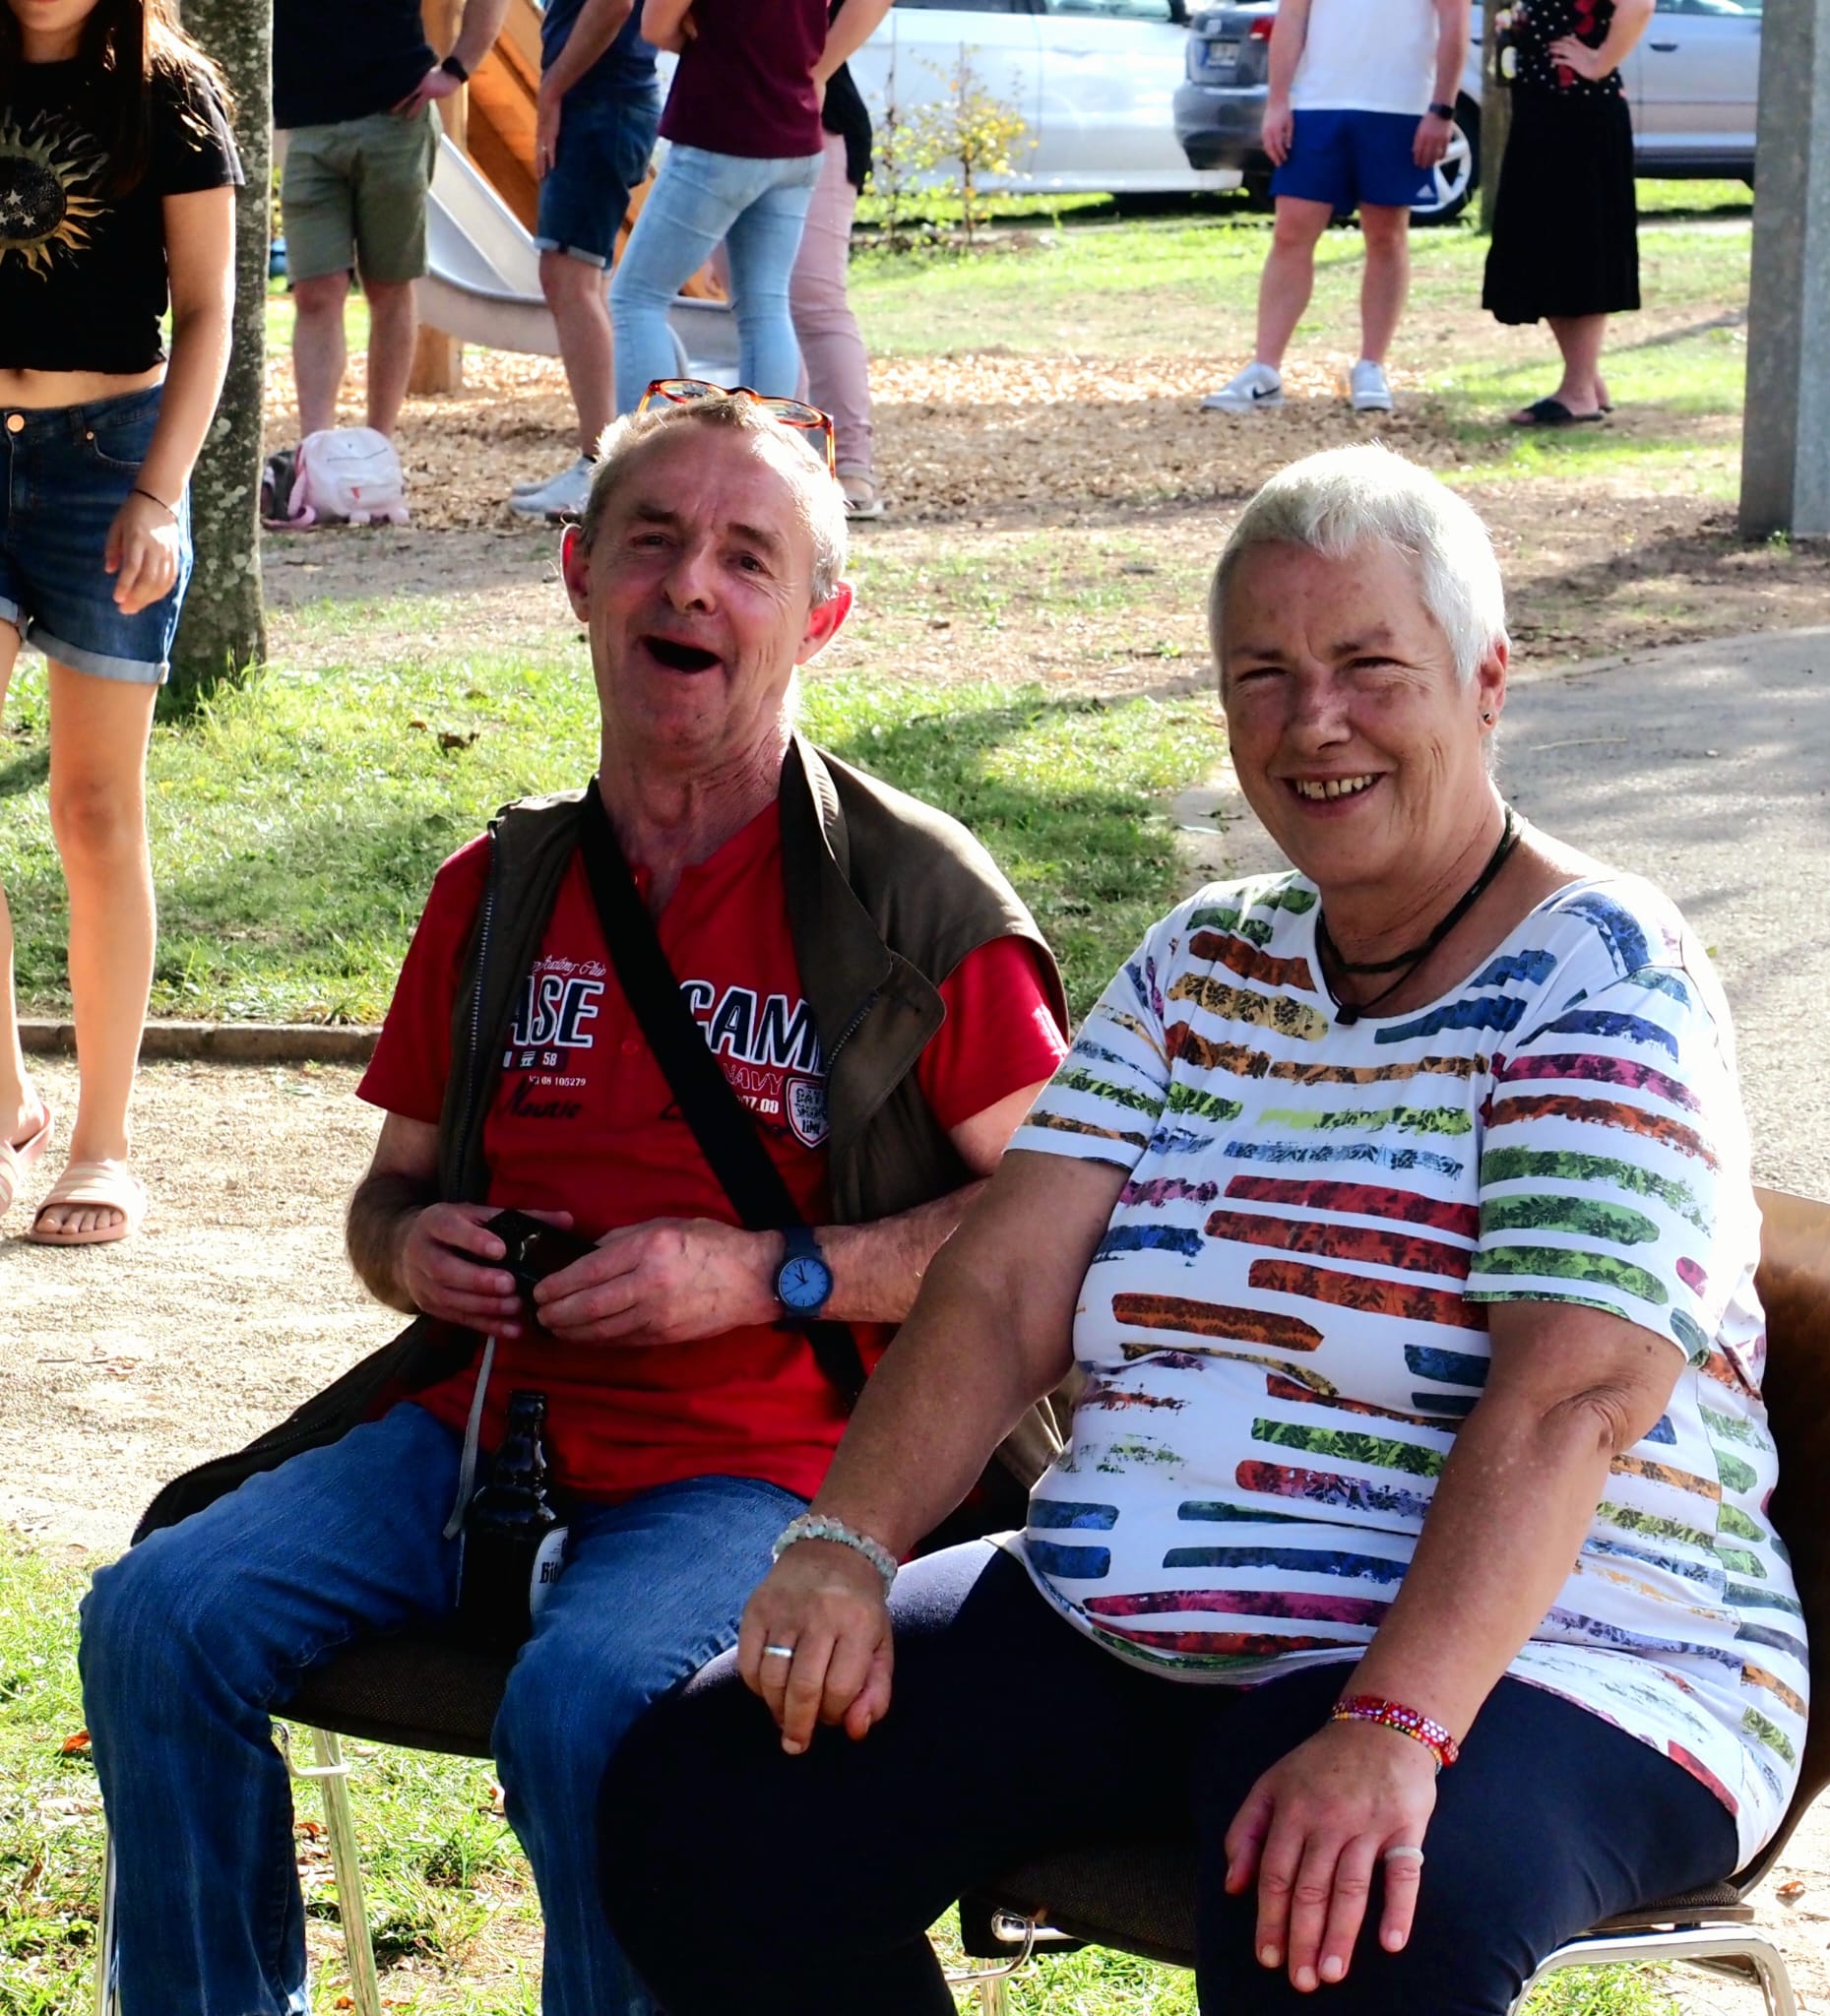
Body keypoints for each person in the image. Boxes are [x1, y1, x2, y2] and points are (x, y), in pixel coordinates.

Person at [597, 444, 1804, 2015]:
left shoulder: (1601, 974)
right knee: (710, 1802)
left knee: (1351, 1918)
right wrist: (842, 1549)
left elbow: (1574, 1395)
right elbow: (1003, 1286)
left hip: (1558, 1655)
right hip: (1130, 1611)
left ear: (1488, 679)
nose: (1316, 723)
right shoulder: (1203, 963)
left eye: (1371, 667)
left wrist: (1395, 1727)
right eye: (1265, 676)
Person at [77, 392, 1072, 2015]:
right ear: (575, 573)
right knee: (155, 1614)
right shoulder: (500, 888)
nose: (689, 585)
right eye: (652, 541)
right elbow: (384, 1201)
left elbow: (1058, 1223)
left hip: (768, 1470)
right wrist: (416, 1249)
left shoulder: (917, 903)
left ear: (819, 614)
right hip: (477, 1444)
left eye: (746, 557)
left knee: (586, 1705)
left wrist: (767, 1272)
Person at [0, 0, 239, 1243]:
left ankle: (102, 1142)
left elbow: (208, 310)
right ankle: (2, 1103)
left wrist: (159, 493)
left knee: (91, 809)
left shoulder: (172, 95)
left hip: (113, 459)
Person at [608, 0, 890, 411]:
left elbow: (654, 27)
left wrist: (700, 31)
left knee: (637, 299)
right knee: (766, 305)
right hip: (796, 133)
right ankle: (764, 460)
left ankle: (650, 466)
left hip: (720, 131)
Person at [1202, 0, 1467, 418]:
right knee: (1291, 231)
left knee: (1385, 234)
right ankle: (1264, 372)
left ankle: (1371, 366)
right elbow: (1292, 16)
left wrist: (1442, 108)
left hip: (1399, 104)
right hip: (1318, 104)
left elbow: (1455, 21)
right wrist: (1277, 100)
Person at [274, 0, 507, 449]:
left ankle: (377, 445)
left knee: (389, 284)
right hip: (306, 123)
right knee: (315, 291)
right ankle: (316, 452)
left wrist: (457, 69)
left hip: (395, 114)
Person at [509, 0, 665, 522]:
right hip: (609, 100)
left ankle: (599, 465)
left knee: (568, 277)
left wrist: (552, 87)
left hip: (601, 102)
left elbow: (614, 4)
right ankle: (601, 465)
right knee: (584, 280)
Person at [1483, 0, 1653, 425]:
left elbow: (1640, 4)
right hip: (1544, 111)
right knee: (1544, 246)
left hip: (1581, 114)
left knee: (1577, 248)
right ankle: (1587, 380)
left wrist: (1599, 61)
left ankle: (1578, 393)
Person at [789, 0, 891, 520]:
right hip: (727, 124)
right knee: (756, 303)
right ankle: (784, 462)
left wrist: (815, 73)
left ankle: (850, 465)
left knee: (814, 301)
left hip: (818, 120)